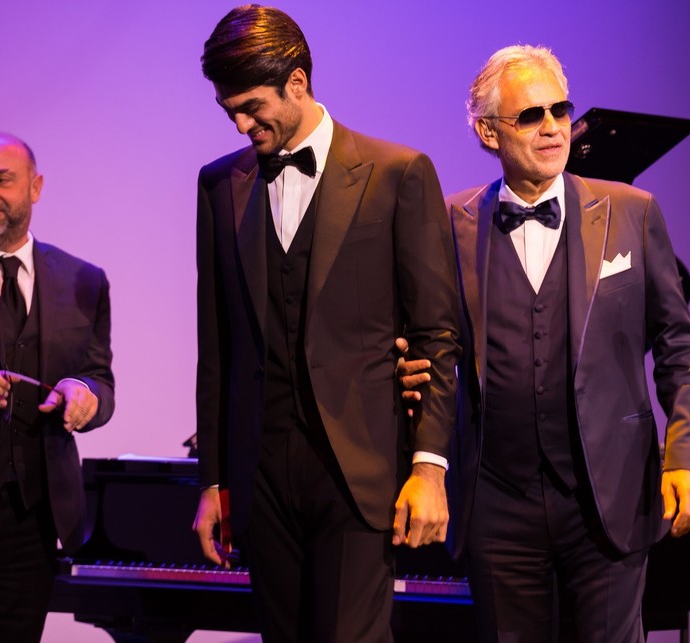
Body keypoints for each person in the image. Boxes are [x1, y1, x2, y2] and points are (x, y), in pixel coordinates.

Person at [398, 44, 690, 641]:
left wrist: (684, 458)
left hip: (608, 498)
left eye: (560, 110)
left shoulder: (632, 211)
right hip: (497, 503)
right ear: (488, 132)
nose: (553, 127)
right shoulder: (450, 222)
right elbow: (431, 344)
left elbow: (679, 347)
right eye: (530, 115)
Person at [191, 6, 460, 642]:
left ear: (298, 83)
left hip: (359, 471)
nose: (241, 124)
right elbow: (217, 347)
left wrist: (429, 468)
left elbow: (437, 335)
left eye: (252, 107)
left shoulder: (397, 173)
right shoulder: (219, 184)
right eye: (229, 111)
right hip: (260, 476)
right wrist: (213, 481)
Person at [0, 132, 115, 642]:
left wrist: (85, 393)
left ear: (35, 187)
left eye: (2, 179)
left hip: (33, 525)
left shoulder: (83, 280)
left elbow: (100, 380)